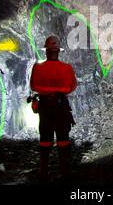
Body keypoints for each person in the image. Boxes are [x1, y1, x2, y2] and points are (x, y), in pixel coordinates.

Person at [30, 35, 77, 182]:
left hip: (45, 106)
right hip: (61, 105)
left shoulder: (38, 67)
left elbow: (33, 86)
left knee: (45, 138)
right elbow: (72, 86)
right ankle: (65, 172)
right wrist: (59, 90)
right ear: (58, 51)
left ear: (46, 51)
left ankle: (44, 172)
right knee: (63, 138)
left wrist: (46, 92)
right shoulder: (67, 68)